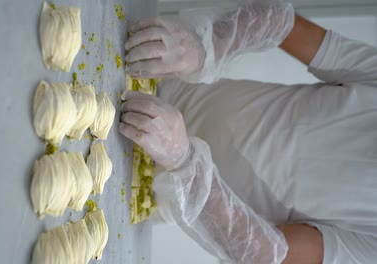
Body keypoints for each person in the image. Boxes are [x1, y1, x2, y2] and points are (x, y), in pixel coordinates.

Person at [119, 0, 377, 263]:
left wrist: (184, 164)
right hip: (154, 79)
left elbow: (268, 253)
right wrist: (204, 48)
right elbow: (279, 22)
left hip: (147, 190)